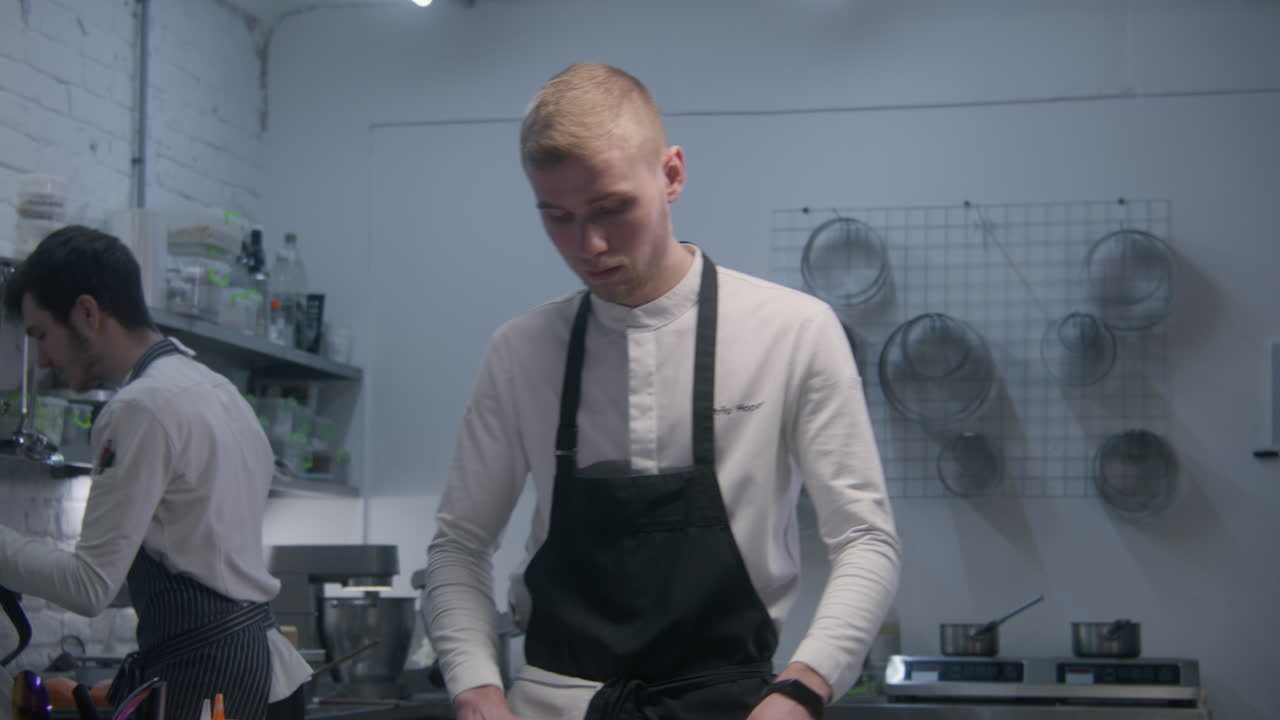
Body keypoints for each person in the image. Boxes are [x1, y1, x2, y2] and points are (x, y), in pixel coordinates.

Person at [423, 62, 902, 720]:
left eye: (613, 209)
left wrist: (802, 688)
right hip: (555, 704)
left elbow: (865, 540)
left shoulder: (793, 331)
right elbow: (459, 545)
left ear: (672, 174)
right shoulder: (521, 351)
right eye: (557, 217)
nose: (587, 244)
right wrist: (476, 688)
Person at [0, 226, 312, 720]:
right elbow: (192, 557)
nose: (42, 360)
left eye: (42, 335)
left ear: (86, 313)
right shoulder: (220, 392)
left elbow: (88, 586)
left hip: (209, 680)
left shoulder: (140, 409)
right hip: (259, 671)